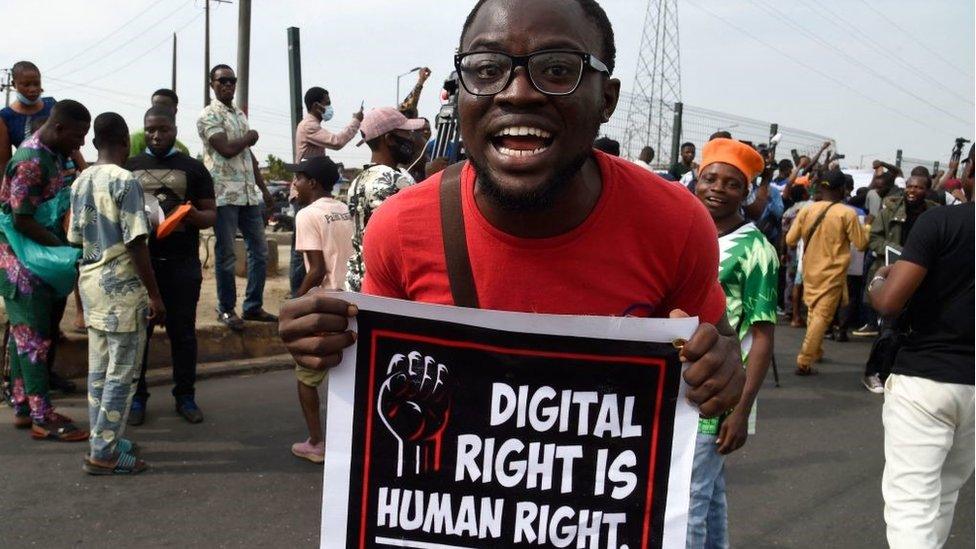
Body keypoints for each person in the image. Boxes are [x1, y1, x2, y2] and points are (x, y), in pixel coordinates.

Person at [279, 0, 745, 455]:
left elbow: (719, 344)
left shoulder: (675, 222)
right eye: (486, 69)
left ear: (607, 98)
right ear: (460, 91)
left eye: (559, 69)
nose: (518, 92)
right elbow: (380, 377)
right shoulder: (399, 228)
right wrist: (324, 338)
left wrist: (722, 370)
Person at [869, 179, 973, 548]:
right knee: (945, 494)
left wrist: (878, 281)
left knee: (912, 502)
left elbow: (890, 303)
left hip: (925, 378)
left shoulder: (940, 222)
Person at [689, 138, 777, 547]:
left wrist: (741, 411)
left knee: (686, 504)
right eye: (710, 178)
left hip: (717, 394)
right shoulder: (685, 231)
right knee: (707, 501)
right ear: (695, 177)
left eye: (732, 184)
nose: (717, 189)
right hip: (676, 388)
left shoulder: (756, 250)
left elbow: (762, 337)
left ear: (746, 192)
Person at [68, 112, 163, 475]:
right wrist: (155, 295)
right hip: (122, 289)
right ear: (126, 141)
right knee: (121, 373)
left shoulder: (81, 181)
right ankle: (103, 454)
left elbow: (76, 238)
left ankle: (102, 437)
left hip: (91, 285)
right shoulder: (126, 181)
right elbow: (137, 241)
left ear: (95, 143)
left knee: (99, 371)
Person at [0, 99, 89, 441]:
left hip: (35, 258)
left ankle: (24, 406)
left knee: (26, 336)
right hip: (22, 263)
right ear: (59, 128)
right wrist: (63, 250)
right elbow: (21, 220)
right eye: (78, 136)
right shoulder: (31, 161)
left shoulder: (53, 155)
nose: (80, 144)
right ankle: (42, 416)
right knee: (33, 339)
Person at [125, 106, 216, 425]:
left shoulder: (193, 169)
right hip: (140, 266)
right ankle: (137, 399)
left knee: (183, 335)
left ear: (175, 129)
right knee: (139, 336)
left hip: (182, 265)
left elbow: (211, 215)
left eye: (163, 129)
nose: (156, 135)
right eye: (150, 129)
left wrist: (191, 215)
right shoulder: (130, 166)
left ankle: (186, 397)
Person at [284, 155, 354, 463]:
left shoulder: (307, 215)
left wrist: (296, 305)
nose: (294, 183)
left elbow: (315, 270)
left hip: (326, 303)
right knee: (350, 375)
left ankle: (317, 443)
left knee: (307, 377)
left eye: (298, 178)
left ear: (312, 182)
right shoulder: (344, 209)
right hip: (354, 299)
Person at [197, 64, 277, 330]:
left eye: (232, 81)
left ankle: (252, 306)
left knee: (260, 252)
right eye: (222, 81)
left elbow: (247, 156)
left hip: (247, 195)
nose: (228, 85)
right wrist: (250, 137)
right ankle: (226, 308)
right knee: (227, 254)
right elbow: (227, 149)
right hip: (223, 195)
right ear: (212, 84)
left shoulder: (239, 114)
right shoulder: (208, 115)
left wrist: (264, 190)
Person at [860, 174, 940, 394]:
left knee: (907, 330)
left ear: (927, 190)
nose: (912, 191)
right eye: (909, 186)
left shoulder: (934, 215)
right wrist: (898, 252)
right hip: (892, 275)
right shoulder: (889, 211)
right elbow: (873, 239)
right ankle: (872, 372)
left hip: (921, 279)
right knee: (888, 328)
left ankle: (892, 373)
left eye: (918, 187)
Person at [785, 170, 868, 374]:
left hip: (810, 270)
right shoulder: (846, 213)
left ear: (821, 188)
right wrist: (866, 229)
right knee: (822, 315)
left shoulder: (807, 210)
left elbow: (790, 240)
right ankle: (804, 360)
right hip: (832, 273)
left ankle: (816, 350)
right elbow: (861, 243)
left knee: (815, 312)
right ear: (843, 189)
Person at [288, 87, 363, 296]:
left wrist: (297, 306)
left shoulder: (313, 126)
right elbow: (337, 142)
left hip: (314, 192)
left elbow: (317, 270)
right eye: (326, 102)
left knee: (311, 255)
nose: (329, 107)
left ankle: (301, 295)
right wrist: (356, 121)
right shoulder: (309, 126)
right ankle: (299, 292)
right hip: (308, 195)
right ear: (315, 106)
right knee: (303, 255)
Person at [344, 106, 424, 292]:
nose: (412, 139)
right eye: (406, 134)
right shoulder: (393, 180)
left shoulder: (359, 179)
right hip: (384, 288)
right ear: (389, 139)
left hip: (358, 283)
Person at [0, 61, 57, 170]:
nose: (33, 89)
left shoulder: (52, 106)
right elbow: (4, 163)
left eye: (36, 83)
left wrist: (85, 171)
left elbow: (72, 147)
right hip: (28, 179)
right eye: (26, 85)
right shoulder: (5, 117)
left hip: (63, 176)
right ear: (13, 84)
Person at [781, 184, 811, 327]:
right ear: (805, 195)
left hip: (791, 249)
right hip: (809, 248)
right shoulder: (812, 207)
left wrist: (783, 252)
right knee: (804, 281)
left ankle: (790, 310)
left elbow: (784, 234)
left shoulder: (789, 212)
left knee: (791, 281)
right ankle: (802, 313)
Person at [128, 89, 190, 158]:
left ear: (175, 110)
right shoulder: (135, 140)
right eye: (155, 106)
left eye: (164, 106)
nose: (159, 110)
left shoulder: (183, 150)